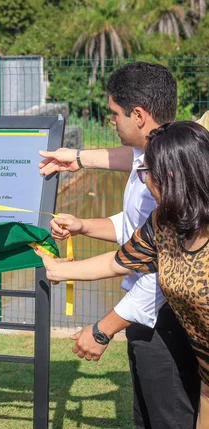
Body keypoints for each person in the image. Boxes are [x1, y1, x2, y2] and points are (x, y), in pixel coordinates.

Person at [38, 62, 200, 428]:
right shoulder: (157, 160)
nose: (111, 121)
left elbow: (158, 273)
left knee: (169, 417)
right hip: (147, 321)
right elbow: (135, 235)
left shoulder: (165, 178)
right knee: (146, 416)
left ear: (139, 115)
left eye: (114, 114)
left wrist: (103, 328)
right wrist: (83, 226)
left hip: (165, 318)